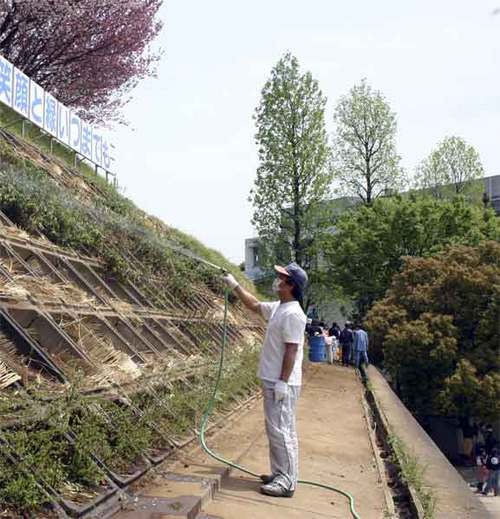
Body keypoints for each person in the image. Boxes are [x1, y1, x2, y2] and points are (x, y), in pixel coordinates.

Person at [222, 262, 307, 498]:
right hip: (273, 379)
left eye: (281, 277)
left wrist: (282, 381)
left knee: (283, 431)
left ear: (290, 285)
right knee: (275, 430)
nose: (276, 280)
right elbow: (255, 305)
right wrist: (235, 285)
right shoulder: (280, 307)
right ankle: (279, 473)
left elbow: (291, 350)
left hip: (283, 383)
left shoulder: (293, 314)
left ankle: (287, 482)